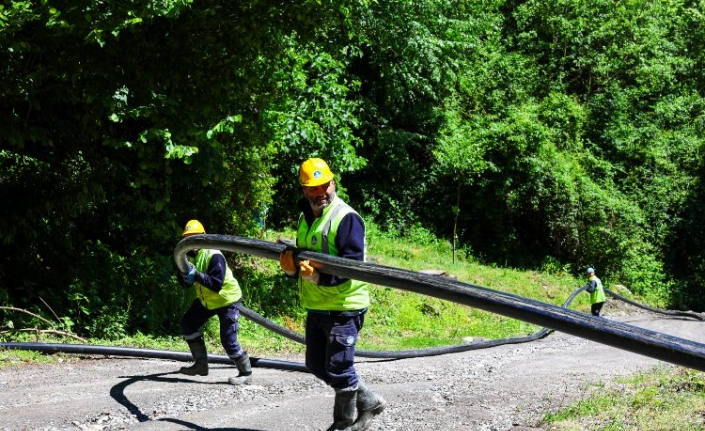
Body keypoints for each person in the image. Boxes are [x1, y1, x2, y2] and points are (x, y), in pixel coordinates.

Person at [279, 158, 386, 431]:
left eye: (325, 185)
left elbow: (352, 267)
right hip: (316, 306)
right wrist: (291, 270)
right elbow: (305, 262)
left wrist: (317, 276)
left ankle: (343, 424)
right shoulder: (306, 218)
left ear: (333, 183)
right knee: (316, 365)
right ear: (305, 190)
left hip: (344, 307)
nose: (321, 193)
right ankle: (370, 401)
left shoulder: (346, 217)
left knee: (339, 368)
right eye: (314, 188)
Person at [177, 219, 252, 385]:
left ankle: (246, 372)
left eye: (195, 237)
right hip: (207, 301)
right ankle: (201, 365)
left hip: (226, 299)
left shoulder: (214, 255)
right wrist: (185, 278)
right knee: (187, 324)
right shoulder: (188, 257)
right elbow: (186, 285)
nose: (192, 241)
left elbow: (216, 285)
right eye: (188, 238)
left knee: (228, 340)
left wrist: (196, 275)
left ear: (203, 237)